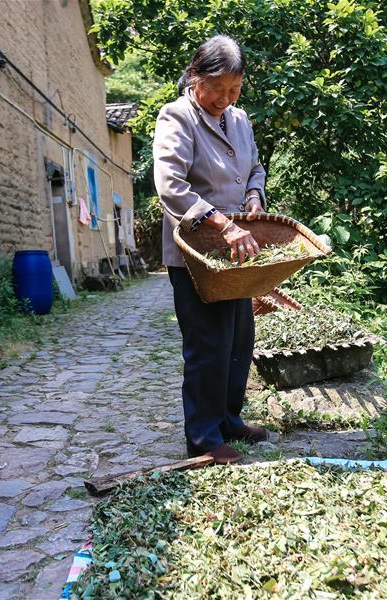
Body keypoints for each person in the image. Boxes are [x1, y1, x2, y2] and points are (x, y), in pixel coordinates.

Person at [153, 35, 271, 465]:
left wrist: (255, 197)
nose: (225, 98)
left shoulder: (239, 120)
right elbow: (171, 186)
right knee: (207, 343)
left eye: (234, 89)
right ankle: (202, 436)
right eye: (218, 88)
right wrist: (221, 223)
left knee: (239, 338)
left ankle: (228, 419)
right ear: (195, 76)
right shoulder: (177, 118)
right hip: (196, 252)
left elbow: (255, 166)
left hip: (237, 249)